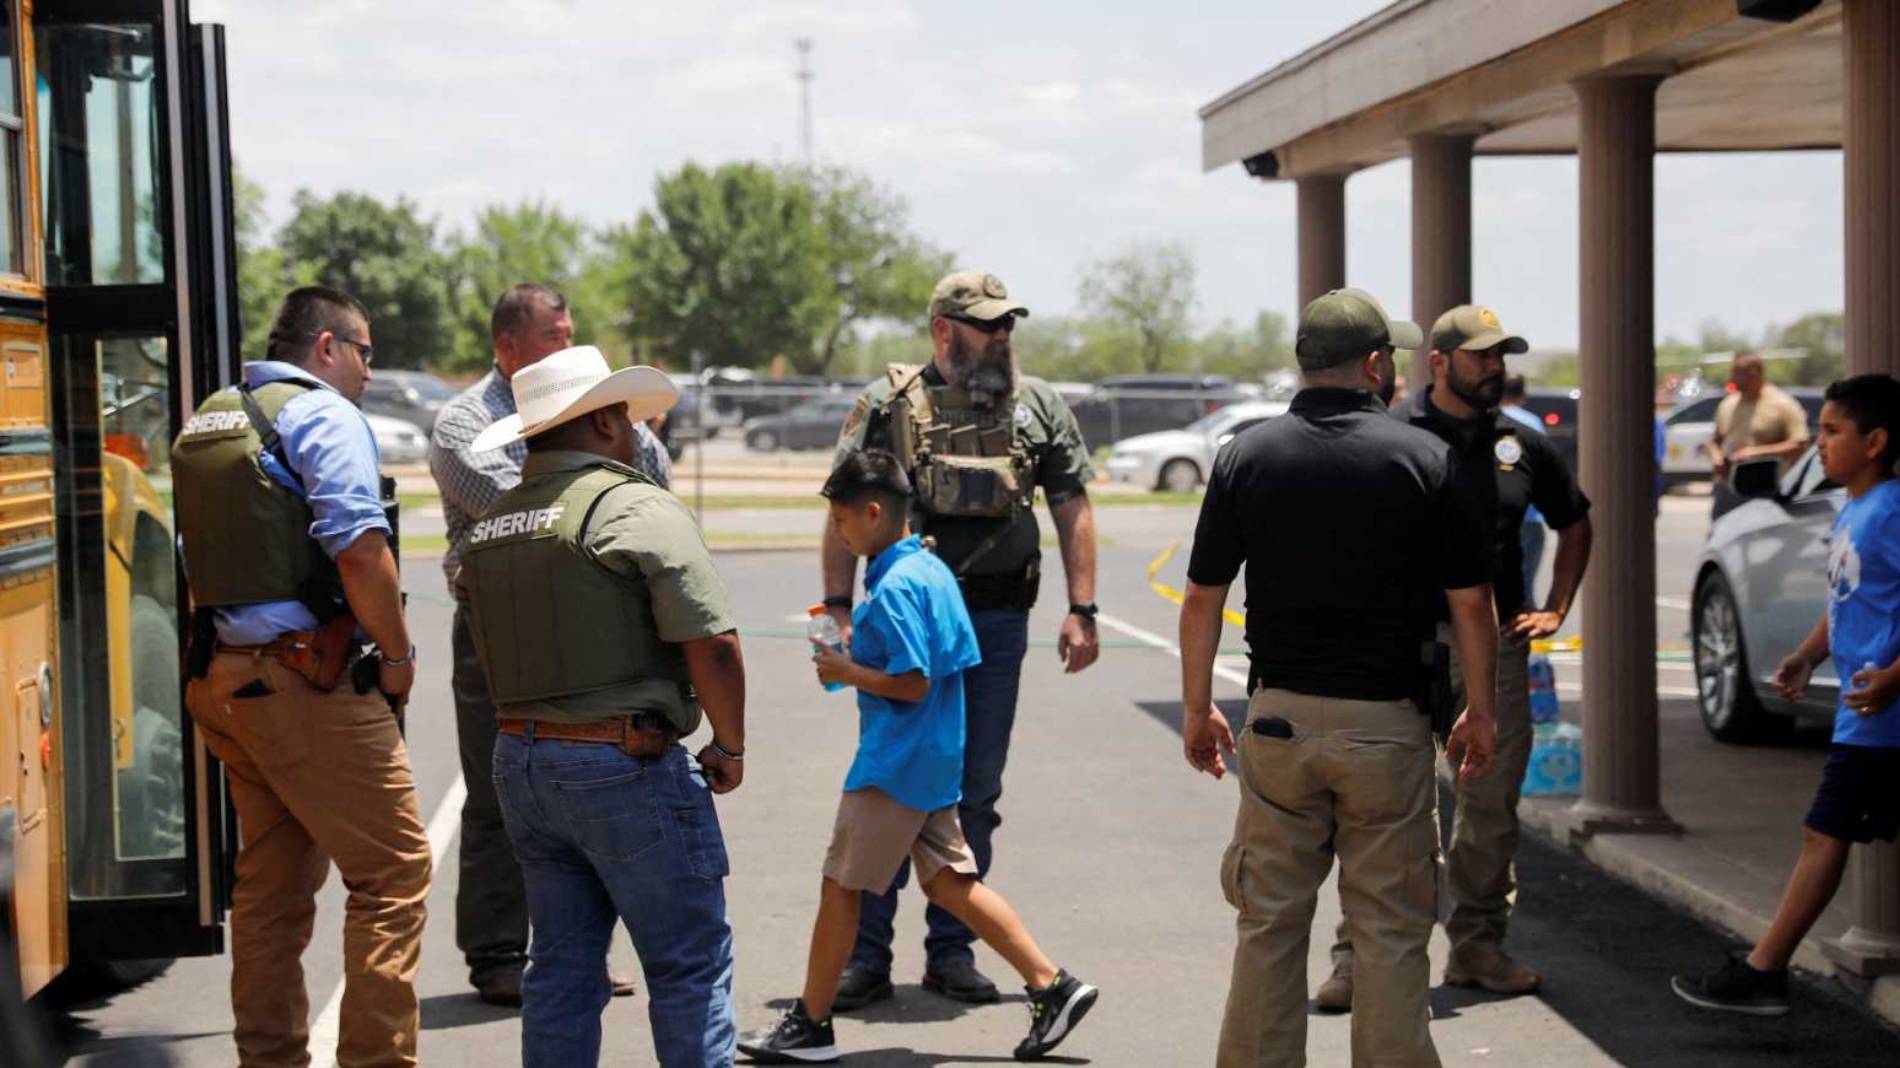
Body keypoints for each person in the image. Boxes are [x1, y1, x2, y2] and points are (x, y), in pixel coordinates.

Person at [1179, 287, 1499, 1068]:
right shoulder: (1427, 459)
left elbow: (1202, 599)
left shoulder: (1245, 456)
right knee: (1390, 931)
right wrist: (1481, 711)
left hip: (1280, 723)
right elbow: (1472, 605)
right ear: (1373, 364)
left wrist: (1198, 709)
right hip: (1386, 728)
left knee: (1269, 924)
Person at [741, 450, 1099, 1064]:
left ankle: (811, 1024)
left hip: (895, 762)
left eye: (842, 519)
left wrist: (848, 670)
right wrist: (858, 658)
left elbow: (912, 681)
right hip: (933, 755)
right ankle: (1052, 984)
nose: (839, 531)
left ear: (874, 512)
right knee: (951, 882)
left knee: (839, 886)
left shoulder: (899, 584)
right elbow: (938, 659)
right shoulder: (929, 570)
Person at [460, 344, 747, 1066]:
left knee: (560, 966)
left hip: (523, 761)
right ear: (608, 422)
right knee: (688, 965)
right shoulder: (634, 506)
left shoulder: (494, 524)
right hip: (623, 762)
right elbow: (712, 643)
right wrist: (729, 745)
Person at [819, 270, 1100, 1009]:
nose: (1002, 336)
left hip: (999, 623)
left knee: (975, 789)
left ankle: (951, 952)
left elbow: (1071, 501)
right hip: (905, 627)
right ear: (944, 329)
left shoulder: (1038, 404)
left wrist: (1084, 607)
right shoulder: (886, 406)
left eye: (1008, 324)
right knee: (887, 782)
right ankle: (864, 961)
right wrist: (839, 607)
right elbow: (842, 507)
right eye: (987, 324)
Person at [172, 286, 431, 1067]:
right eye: (365, 354)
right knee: (394, 874)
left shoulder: (214, 416)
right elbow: (358, 547)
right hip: (300, 683)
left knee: (272, 891)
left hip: (224, 680)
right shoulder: (321, 415)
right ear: (328, 347)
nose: (367, 373)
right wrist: (398, 657)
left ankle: (270, 1059)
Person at [1318, 306, 1594, 1011]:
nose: (1496, 368)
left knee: (1489, 808)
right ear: (1437, 362)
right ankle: (1354, 959)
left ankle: (1477, 947)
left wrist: (1557, 604)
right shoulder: (1394, 437)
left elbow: (1575, 520)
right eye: (1481, 356)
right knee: (1383, 806)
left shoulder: (1522, 444)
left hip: (1497, 652)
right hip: (1404, 651)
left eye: (1501, 356)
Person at [428, 283, 643, 1004]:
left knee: (585, 787)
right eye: (556, 335)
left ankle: (576, 951)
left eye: (572, 331)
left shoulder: (593, 406)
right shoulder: (464, 424)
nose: (570, 346)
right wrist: (602, 490)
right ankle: (495, 954)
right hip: (497, 631)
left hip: (590, 626)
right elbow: (528, 512)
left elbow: (655, 485)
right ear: (508, 347)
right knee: (495, 793)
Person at [1673, 373, 1900, 1017]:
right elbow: (1848, 600)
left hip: (1881, 712)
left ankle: (1764, 970)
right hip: (1865, 714)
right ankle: (1764, 970)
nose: (1818, 444)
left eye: (1832, 431)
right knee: (1824, 834)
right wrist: (1806, 654)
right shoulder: (1853, 509)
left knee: (1822, 833)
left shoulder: (1891, 511)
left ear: (1876, 441)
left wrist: (1893, 677)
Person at [1708, 351, 1810, 518]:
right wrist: (1716, 457)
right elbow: (1714, 441)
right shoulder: (1728, 404)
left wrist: (1756, 452)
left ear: (1755, 373)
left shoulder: (1782, 404)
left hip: (1764, 490)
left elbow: (1799, 444)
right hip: (1727, 488)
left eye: (1738, 372)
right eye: (1732, 371)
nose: (1732, 376)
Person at [1500, 374, 1547, 596]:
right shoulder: (1532, 423)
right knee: (1524, 582)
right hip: (1529, 515)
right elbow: (1542, 467)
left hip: (1494, 514)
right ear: (1523, 394)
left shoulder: (1485, 419)